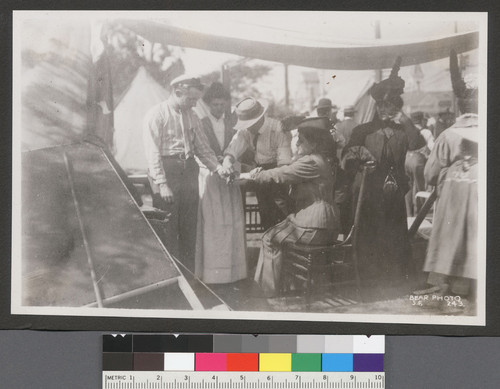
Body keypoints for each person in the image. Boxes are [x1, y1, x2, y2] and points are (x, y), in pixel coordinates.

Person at [341, 57, 425, 284]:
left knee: (394, 233)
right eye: (382, 106)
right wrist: (360, 162)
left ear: (398, 107)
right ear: (376, 106)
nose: (385, 110)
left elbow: (418, 144)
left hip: (394, 192)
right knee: (370, 233)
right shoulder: (363, 130)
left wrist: (406, 121)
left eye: (392, 106)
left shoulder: (403, 130)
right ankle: (370, 277)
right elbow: (346, 156)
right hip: (368, 192)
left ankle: (395, 278)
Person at [239, 117, 340, 296]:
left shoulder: (310, 161)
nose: (297, 142)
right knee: (279, 233)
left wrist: (252, 176)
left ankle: (266, 292)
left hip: (314, 225)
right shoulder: (321, 159)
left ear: (314, 143)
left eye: (302, 139)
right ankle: (293, 285)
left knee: (269, 238)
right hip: (327, 225)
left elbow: (282, 173)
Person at [143, 75, 229, 272]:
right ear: (177, 92)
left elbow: (203, 148)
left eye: (196, 100)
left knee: (190, 227)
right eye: (190, 99)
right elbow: (152, 153)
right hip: (168, 171)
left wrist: (218, 168)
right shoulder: (156, 115)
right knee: (169, 227)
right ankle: (172, 279)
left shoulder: (192, 115)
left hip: (189, 170)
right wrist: (162, 184)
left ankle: (190, 278)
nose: (194, 104)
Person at [418, 49, 479, 302]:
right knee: (473, 233)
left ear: (459, 107)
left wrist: (440, 177)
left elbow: (431, 173)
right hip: (479, 186)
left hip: (455, 187)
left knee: (451, 232)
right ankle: (467, 286)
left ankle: (446, 282)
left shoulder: (449, 134)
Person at [194, 82, 247, 284]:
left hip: (230, 175)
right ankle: (213, 273)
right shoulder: (201, 123)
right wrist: (216, 166)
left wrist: (228, 163)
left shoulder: (234, 123)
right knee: (213, 223)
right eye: (214, 104)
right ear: (208, 104)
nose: (218, 108)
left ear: (226, 104)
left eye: (222, 104)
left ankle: (234, 272)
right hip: (210, 176)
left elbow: (238, 145)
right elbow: (199, 150)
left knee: (232, 221)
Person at [223, 97, 293, 230]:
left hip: (279, 175)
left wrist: (261, 175)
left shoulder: (278, 129)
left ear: (260, 118)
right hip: (260, 174)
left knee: (283, 215)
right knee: (266, 216)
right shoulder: (245, 131)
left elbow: (284, 164)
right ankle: (270, 248)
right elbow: (233, 149)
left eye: (250, 124)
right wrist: (227, 162)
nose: (247, 128)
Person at [404, 111, 435, 216]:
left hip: (406, 159)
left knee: (408, 187)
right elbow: (432, 148)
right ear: (422, 120)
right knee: (419, 186)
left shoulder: (407, 131)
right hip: (418, 160)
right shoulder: (426, 132)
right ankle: (420, 213)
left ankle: (409, 213)